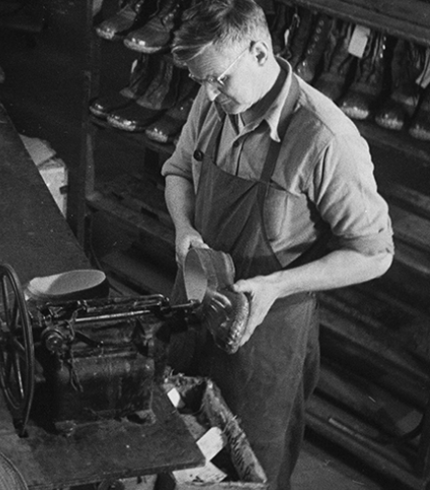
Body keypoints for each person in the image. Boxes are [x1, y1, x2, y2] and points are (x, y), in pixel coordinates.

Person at [161, 1, 394, 489]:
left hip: (266, 339)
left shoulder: (325, 138)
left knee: (251, 469)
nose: (207, 93)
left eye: (218, 79)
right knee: (177, 444)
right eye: (199, 80)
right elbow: (180, 170)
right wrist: (184, 228)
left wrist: (275, 284)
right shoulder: (213, 101)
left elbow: (375, 253)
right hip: (196, 302)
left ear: (260, 52)